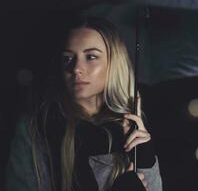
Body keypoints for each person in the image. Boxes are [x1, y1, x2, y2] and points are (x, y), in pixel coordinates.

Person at [6, 15, 162, 191]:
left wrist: (145, 160)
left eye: (91, 57)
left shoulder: (130, 128)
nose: (76, 68)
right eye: (67, 58)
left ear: (114, 63)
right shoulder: (37, 127)